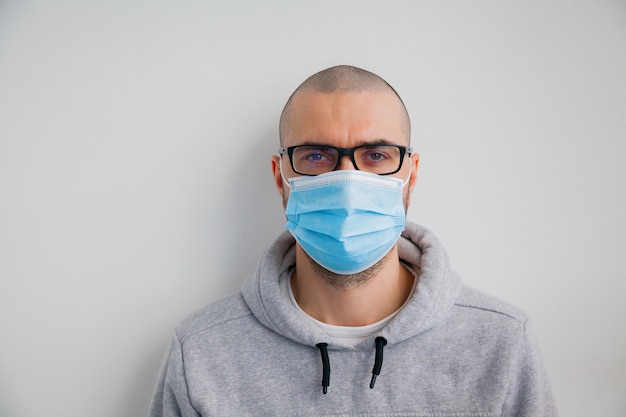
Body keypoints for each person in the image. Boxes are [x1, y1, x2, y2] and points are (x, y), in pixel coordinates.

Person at [147, 65, 558, 416]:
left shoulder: (500, 342)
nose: (347, 182)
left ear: (409, 176)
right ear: (280, 177)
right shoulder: (201, 352)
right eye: (316, 155)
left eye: (376, 155)